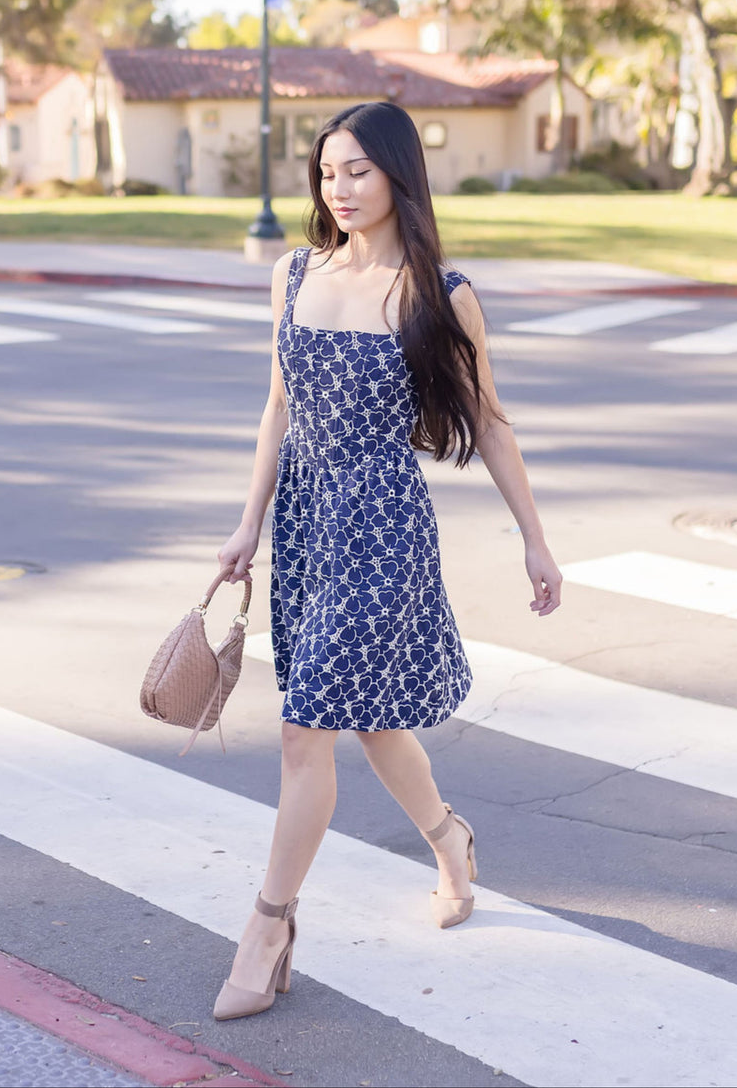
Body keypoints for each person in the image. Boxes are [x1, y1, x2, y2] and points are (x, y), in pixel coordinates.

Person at [213, 101, 561, 1022]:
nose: (340, 187)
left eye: (359, 170)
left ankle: (268, 924)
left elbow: (488, 421)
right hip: (305, 528)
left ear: (401, 175)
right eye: (328, 171)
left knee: (305, 726)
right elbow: (277, 411)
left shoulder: (439, 294)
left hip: (383, 531)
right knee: (365, 722)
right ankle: (451, 839)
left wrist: (535, 538)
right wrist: (248, 525)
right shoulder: (292, 275)